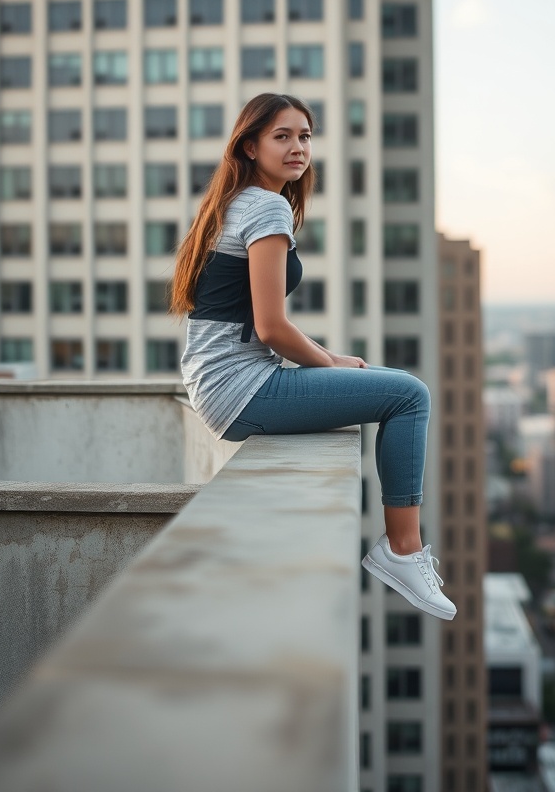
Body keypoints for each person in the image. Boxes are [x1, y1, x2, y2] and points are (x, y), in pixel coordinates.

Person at [171, 92, 455, 621]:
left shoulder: (232, 202)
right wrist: (330, 361)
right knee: (409, 395)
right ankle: (403, 551)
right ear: (250, 146)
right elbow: (271, 326)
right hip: (240, 390)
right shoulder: (266, 206)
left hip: (225, 385)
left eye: (304, 135)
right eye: (282, 136)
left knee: (391, 384)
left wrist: (328, 360)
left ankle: (403, 550)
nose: (298, 146)